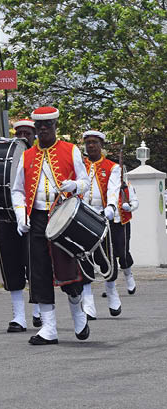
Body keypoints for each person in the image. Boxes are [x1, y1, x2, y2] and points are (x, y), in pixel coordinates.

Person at [11, 106, 91, 345]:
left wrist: (74, 186)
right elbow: (16, 190)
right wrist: (19, 216)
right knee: (39, 271)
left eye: (48, 126)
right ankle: (49, 328)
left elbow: (85, 181)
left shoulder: (71, 150)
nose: (43, 130)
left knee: (68, 269)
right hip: (36, 217)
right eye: (39, 127)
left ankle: (78, 313)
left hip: (64, 216)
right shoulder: (26, 156)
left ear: (56, 126)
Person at [0, 117, 42, 332]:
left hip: (34, 217)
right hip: (8, 217)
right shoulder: (11, 154)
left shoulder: (41, 155)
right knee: (11, 267)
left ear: (35, 136)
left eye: (27, 134)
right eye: (19, 133)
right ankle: (19, 316)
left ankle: (39, 309)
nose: (23, 137)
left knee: (36, 265)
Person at [78, 130, 123, 319]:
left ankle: (112, 291)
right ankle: (88, 302)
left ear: (101, 145)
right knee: (83, 256)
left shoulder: (112, 167)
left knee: (105, 256)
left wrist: (111, 207)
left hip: (102, 215)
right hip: (82, 215)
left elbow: (113, 188)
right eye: (88, 142)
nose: (91, 146)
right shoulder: (80, 164)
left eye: (94, 142)